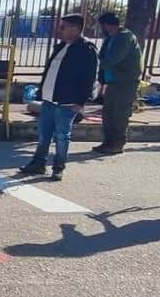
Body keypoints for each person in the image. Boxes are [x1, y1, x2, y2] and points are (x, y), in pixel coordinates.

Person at [20, 14, 98, 181]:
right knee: (44, 135)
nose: (59, 30)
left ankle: (58, 167)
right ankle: (38, 164)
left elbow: (89, 78)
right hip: (49, 100)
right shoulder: (60, 47)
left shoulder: (86, 49)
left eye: (63, 27)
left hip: (67, 102)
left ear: (75, 29)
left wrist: (81, 101)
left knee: (62, 136)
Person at [94, 12, 143, 155]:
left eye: (101, 26)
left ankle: (117, 143)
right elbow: (103, 57)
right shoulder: (111, 38)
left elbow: (113, 58)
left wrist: (95, 66)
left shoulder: (125, 37)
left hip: (126, 81)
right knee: (108, 113)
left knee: (120, 113)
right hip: (113, 81)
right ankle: (108, 142)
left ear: (106, 25)